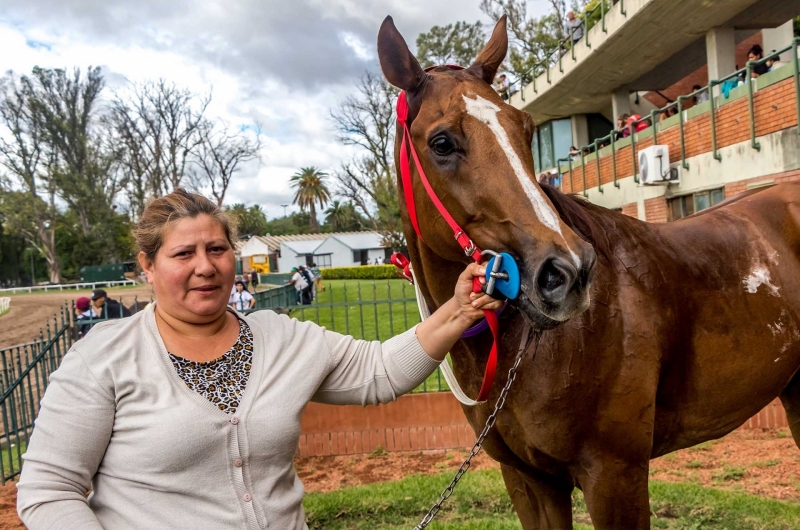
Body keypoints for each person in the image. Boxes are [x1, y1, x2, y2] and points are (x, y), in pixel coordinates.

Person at [16, 188, 501, 529]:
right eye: (183, 253)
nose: (205, 266)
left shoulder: (283, 338)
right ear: (147, 266)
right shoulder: (103, 356)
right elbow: (49, 490)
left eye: (217, 249)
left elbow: (378, 371)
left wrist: (458, 310)